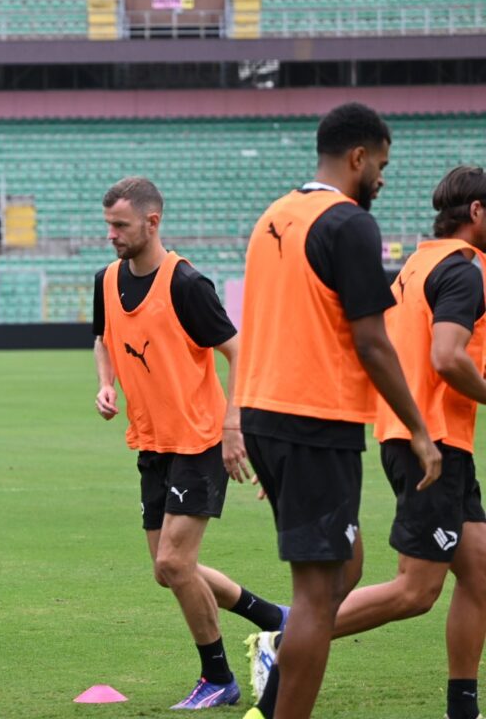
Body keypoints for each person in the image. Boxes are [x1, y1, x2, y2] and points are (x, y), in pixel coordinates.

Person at [251, 165, 486, 719]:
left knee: (479, 571)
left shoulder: (419, 261)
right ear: (477, 213)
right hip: (432, 442)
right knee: (415, 591)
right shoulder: (465, 271)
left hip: (423, 435)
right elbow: (448, 356)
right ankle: (284, 640)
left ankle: (462, 708)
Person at [235, 103, 442, 719]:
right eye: (380, 164)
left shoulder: (275, 215)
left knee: (344, 565)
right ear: (358, 157)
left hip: (266, 415)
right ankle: (281, 695)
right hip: (315, 422)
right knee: (318, 594)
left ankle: (283, 668)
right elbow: (373, 340)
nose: (382, 177)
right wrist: (421, 430)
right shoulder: (348, 223)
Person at [93, 176, 288, 710]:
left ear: (152, 223)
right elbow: (103, 337)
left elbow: (239, 351)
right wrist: (106, 383)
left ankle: (219, 678)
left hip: (200, 439)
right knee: (167, 569)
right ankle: (275, 620)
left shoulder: (186, 283)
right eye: (107, 224)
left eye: (120, 225)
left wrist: (233, 426)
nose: (110, 234)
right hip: (152, 441)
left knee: (176, 564)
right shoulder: (106, 279)